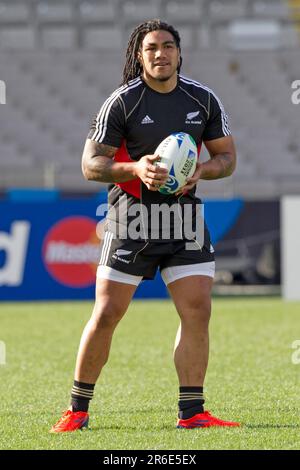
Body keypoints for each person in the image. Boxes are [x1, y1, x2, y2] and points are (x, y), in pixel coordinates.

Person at [50, 19, 239, 433]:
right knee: (107, 312)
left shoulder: (203, 99)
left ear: (178, 52)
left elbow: (227, 158)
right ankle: (77, 410)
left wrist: (202, 172)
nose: (160, 54)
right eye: (152, 47)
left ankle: (192, 413)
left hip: (185, 218)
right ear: (140, 55)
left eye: (168, 46)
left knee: (198, 310)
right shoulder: (122, 102)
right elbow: (90, 165)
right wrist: (135, 166)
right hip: (132, 215)